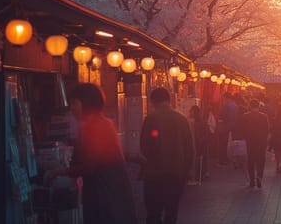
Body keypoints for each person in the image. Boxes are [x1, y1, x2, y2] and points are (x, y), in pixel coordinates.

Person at [45, 83, 136, 224]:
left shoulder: (94, 127)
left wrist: (59, 171)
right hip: (113, 193)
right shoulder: (103, 124)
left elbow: (89, 166)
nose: (72, 108)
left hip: (104, 196)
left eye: (75, 103)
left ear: (86, 103)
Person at [140, 88, 194, 224]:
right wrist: (187, 170)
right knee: (171, 211)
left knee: (153, 212)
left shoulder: (151, 118)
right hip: (176, 174)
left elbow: (145, 146)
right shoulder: (182, 119)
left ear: (153, 101)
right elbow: (190, 148)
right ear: (169, 100)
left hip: (155, 174)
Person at [241, 99, 270, 188]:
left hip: (250, 142)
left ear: (250, 106)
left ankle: (252, 180)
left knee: (251, 160)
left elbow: (243, 130)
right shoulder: (264, 117)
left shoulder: (245, 116)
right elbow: (267, 130)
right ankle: (259, 177)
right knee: (261, 160)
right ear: (258, 106)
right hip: (261, 141)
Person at [189, 105, 210, 182]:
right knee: (203, 158)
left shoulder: (195, 123)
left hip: (198, 145)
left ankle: (196, 175)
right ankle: (204, 172)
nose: (190, 112)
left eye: (191, 111)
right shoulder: (203, 122)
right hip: (202, 144)